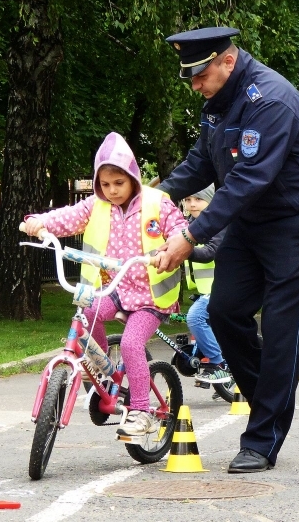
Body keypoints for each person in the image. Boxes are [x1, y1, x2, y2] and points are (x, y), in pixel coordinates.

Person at [154, 26, 299, 473]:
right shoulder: (218, 103)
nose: (195, 85)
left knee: (282, 331)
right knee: (224, 312)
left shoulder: (270, 100)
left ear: (227, 62)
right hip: (251, 222)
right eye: (189, 77)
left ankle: (262, 439)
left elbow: (248, 180)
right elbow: (202, 161)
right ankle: (270, 400)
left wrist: (190, 236)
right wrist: (152, 196)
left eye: (199, 75)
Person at [22, 132, 188, 436]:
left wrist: (171, 249)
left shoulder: (157, 204)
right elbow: (66, 218)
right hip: (115, 289)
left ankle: (141, 410)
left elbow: (180, 230)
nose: (111, 191)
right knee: (87, 314)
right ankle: (101, 375)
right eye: (105, 184)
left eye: (119, 183)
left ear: (133, 178)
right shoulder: (95, 205)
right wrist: (40, 222)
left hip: (150, 298)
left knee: (130, 343)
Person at [181, 185, 230, 386]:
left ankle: (218, 364)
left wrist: (182, 249)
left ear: (211, 201)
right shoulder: (189, 224)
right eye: (188, 199)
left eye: (198, 199)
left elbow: (211, 251)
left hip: (222, 286)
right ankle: (206, 358)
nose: (192, 204)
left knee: (195, 317)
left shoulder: (218, 223)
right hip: (205, 289)